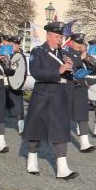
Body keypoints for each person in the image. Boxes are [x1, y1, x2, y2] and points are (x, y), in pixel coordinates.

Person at [22, 21, 79, 179]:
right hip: (43, 94)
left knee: (61, 130)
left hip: (59, 94)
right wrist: (58, 70)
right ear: (48, 36)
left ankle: (62, 168)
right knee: (36, 128)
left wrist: (69, 68)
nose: (59, 40)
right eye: (56, 36)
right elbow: (36, 73)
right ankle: (32, 159)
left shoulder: (62, 53)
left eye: (60, 36)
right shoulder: (38, 51)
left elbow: (66, 74)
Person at [63, 33, 96, 152]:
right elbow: (71, 65)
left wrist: (90, 62)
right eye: (77, 43)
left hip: (81, 87)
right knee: (65, 114)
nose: (79, 45)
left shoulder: (80, 55)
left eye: (81, 43)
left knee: (83, 115)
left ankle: (84, 143)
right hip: (70, 86)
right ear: (71, 42)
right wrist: (81, 58)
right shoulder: (66, 52)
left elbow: (91, 71)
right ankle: (61, 137)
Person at [5, 35, 25, 134]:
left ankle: (21, 125)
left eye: (17, 44)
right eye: (14, 44)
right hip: (3, 82)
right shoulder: (3, 54)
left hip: (15, 82)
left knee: (18, 104)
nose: (16, 46)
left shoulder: (19, 56)